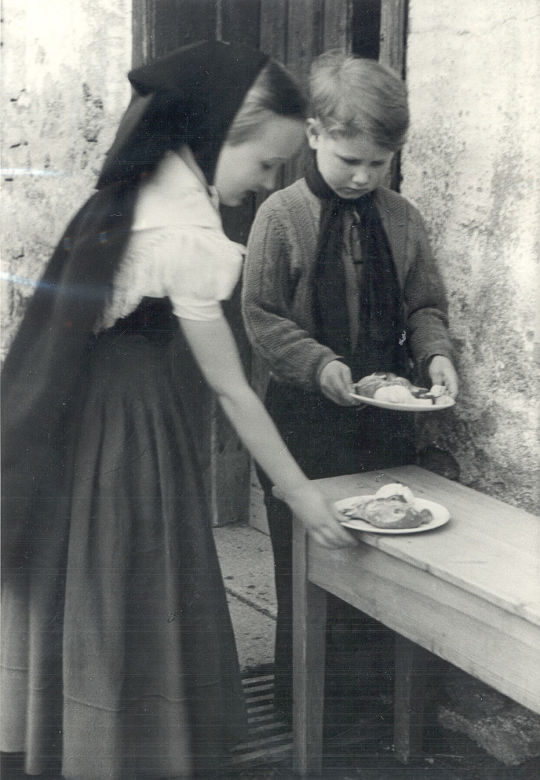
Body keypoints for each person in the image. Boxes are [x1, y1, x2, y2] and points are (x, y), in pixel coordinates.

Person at [0, 41, 357, 780]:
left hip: (84, 402)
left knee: (86, 575)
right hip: (121, 419)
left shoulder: (150, 177)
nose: (264, 186)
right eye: (263, 166)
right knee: (122, 568)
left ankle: (73, 726)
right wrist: (298, 493)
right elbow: (231, 387)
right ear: (215, 134)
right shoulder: (183, 232)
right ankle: (123, 747)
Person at [242, 52, 459, 722]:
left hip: (384, 414)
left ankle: (369, 707)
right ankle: (303, 704)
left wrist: (436, 355)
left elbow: (426, 305)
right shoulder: (281, 215)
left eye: (379, 162)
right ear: (313, 135)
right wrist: (316, 364)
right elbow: (262, 315)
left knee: (379, 557)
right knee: (311, 555)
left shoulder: (403, 219)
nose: (364, 176)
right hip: (304, 420)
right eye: (349, 160)